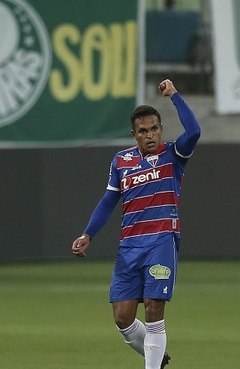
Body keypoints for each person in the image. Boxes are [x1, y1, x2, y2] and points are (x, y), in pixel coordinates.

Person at [71, 79, 201, 369]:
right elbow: (108, 201)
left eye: (155, 128)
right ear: (135, 135)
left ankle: (152, 365)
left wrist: (175, 96)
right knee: (122, 318)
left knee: (155, 309)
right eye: (143, 131)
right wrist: (88, 234)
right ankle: (156, 356)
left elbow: (194, 131)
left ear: (161, 129)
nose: (150, 135)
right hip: (129, 245)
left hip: (161, 241)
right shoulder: (121, 161)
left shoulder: (173, 155)